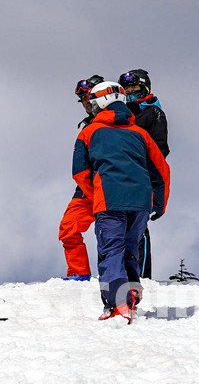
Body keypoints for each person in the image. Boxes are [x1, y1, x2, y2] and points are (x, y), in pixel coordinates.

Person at [72, 80, 170, 322]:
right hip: (140, 202)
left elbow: (80, 172)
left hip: (109, 200)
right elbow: (160, 170)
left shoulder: (89, 132)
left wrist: (97, 195)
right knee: (129, 250)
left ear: (101, 103)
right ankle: (132, 292)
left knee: (111, 252)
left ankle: (118, 305)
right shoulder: (140, 133)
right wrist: (159, 203)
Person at [118, 69, 170, 280]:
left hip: (142, 175)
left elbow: (161, 148)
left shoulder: (152, 113)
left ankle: (141, 275)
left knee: (138, 227)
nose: (130, 91)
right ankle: (119, 273)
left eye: (134, 87)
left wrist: (146, 171)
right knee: (118, 225)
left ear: (145, 87)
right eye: (127, 88)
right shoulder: (122, 114)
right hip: (120, 175)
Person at [57, 76, 105, 280]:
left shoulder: (121, 118)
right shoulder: (87, 124)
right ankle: (79, 273)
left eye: (88, 95)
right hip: (86, 187)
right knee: (68, 227)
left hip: (110, 185)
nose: (86, 101)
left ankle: (123, 275)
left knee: (114, 235)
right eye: (82, 98)